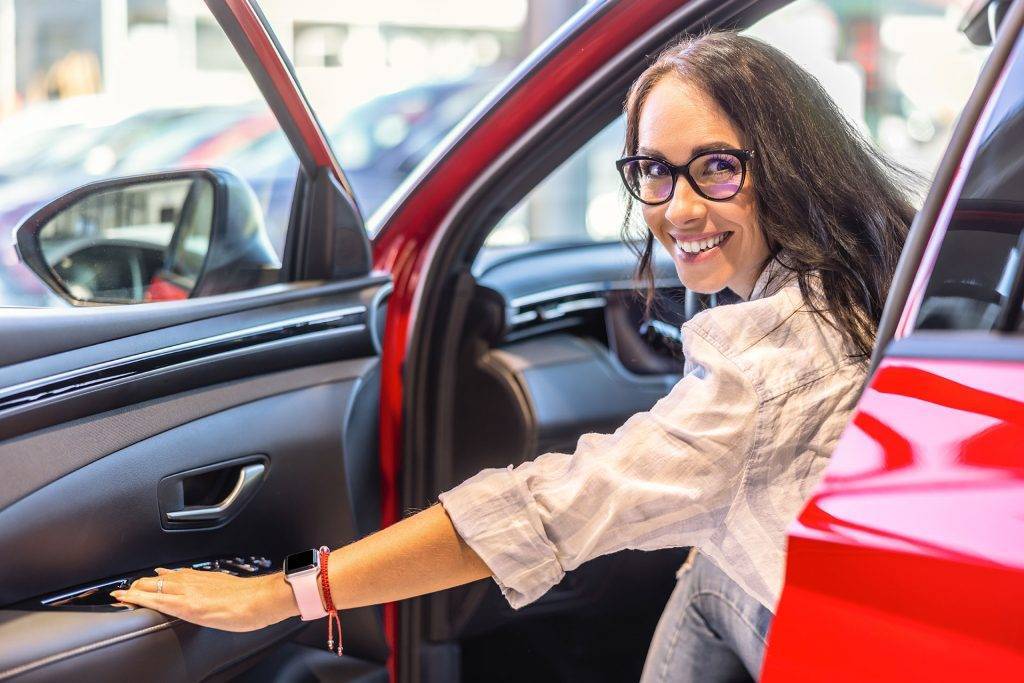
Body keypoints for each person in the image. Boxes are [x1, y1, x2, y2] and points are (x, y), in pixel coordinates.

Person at [111, 31, 915, 681]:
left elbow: (549, 507)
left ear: (787, 160)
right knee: (716, 560)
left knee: (715, 571)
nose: (679, 209)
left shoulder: (777, 358)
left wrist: (280, 596)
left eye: (715, 167)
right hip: (887, 613)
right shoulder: (874, 272)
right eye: (654, 173)